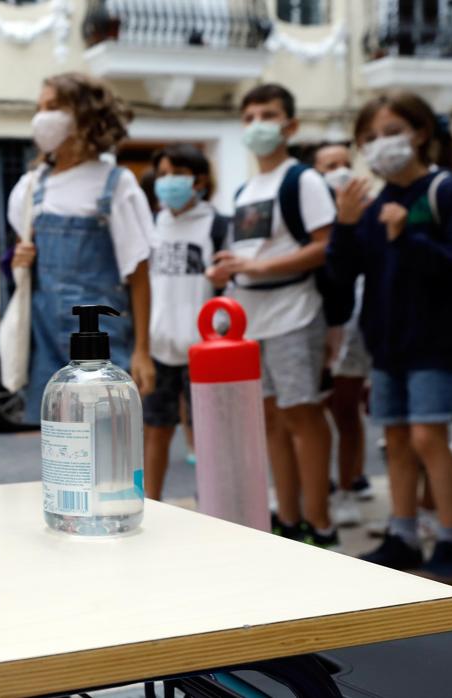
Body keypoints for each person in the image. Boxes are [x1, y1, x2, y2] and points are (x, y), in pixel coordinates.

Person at [330, 90, 452, 587]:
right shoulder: (372, 204)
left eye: (391, 132)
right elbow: (344, 274)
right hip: (386, 340)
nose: (379, 145)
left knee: (426, 436)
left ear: (419, 133)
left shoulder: (445, 190)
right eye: (368, 138)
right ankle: (404, 534)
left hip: (436, 339)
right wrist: (346, 227)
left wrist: (407, 238)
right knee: (393, 440)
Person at [207, 84, 336, 547]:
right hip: (250, 316)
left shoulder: (303, 179)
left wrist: (259, 266)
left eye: (267, 114)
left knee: (302, 415)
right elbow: (251, 251)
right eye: (249, 117)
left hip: (294, 311)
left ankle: (320, 523)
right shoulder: (245, 189)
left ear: (290, 125)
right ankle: (289, 515)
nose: (257, 124)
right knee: (271, 422)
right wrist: (230, 266)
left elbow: (323, 247)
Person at [7, 72, 155, 424]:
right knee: (60, 445)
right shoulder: (30, 188)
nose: (42, 116)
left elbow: (138, 274)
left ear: (84, 115)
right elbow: (22, 258)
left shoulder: (116, 184)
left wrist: (143, 351)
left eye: (54, 107)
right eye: (40, 107)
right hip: (45, 340)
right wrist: (20, 260)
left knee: (109, 441)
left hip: (104, 343)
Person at [142, 144, 225, 500]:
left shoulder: (218, 225)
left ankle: (215, 510)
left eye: (177, 173)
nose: (168, 182)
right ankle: (148, 506)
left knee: (210, 439)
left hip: (204, 349)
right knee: (155, 431)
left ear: (199, 180)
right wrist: (140, 348)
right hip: (158, 348)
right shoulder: (150, 226)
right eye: (162, 175)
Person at [312, 142, 373, 526]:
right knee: (313, 410)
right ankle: (319, 487)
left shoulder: (368, 211)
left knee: (346, 408)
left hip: (355, 319)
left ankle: (349, 486)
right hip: (315, 318)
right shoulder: (309, 213)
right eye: (330, 165)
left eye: (345, 164)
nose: (340, 170)